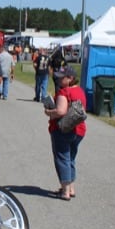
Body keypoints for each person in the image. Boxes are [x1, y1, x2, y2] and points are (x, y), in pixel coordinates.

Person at [43, 67, 87, 200]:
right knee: (71, 158)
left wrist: (49, 112)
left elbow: (61, 111)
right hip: (78, 130)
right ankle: (71, 187)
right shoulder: (80, 91)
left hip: (63, 129)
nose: (59, 79)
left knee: (62, 159)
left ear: (70, 78)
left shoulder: (64, 92)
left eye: (62, 77)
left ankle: (65, 191)